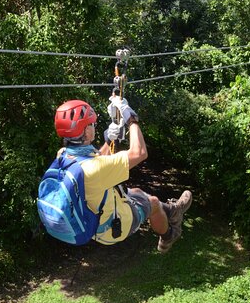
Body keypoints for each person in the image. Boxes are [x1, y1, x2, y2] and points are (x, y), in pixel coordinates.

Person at [53, 97, 192, 252]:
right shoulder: (94, 169)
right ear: (85, 131)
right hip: (113, 226)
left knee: (137, 192)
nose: (94, 126)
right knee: (153, 203)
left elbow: (94, 160)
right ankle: (169, 236)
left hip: (94, 217)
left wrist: (108, 140)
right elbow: (139, 153)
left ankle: (173, 211)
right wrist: (130, 118)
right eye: (92, 124)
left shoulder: (64, 155)